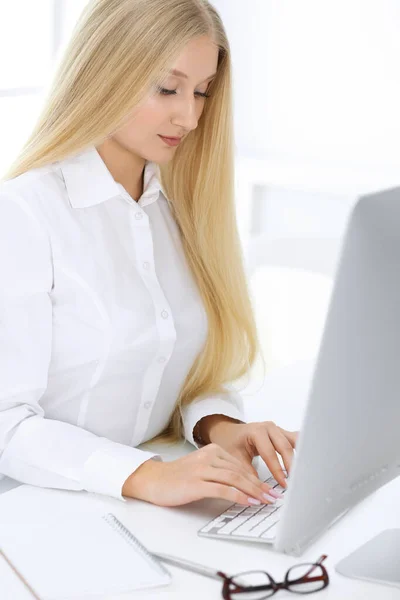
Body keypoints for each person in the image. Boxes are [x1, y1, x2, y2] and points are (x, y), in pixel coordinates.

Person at [0, 0, 297, 509]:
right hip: (38, 509)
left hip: (146, 509)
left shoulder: (177, 210)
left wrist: (216, 425)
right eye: (168, 88)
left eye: (203, 92)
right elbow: (7, 425)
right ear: (104, 73)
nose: (191, 116)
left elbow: (171, 369)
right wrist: (148, 477)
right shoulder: (24, 215)